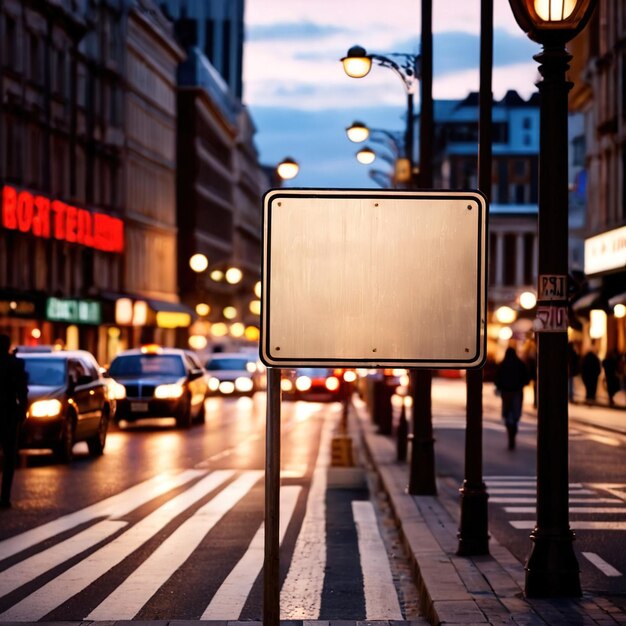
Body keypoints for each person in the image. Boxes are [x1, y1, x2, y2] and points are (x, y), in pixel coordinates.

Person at [0, 334, 29, 508]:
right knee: (9, 457)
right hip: (9, 414)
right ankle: (5, 497)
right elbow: (22, 391)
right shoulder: (15, 364)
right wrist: (22, 412)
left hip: (8, 413)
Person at [495, 347, 530, 450]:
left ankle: (510, 431)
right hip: (517, 392)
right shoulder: (520, 364)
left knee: (506, 414)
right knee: (515, 414)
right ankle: (513, 430)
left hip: (506, 392)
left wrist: (500, 387)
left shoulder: (502, 364)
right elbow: (526, 378)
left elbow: (497, 379)